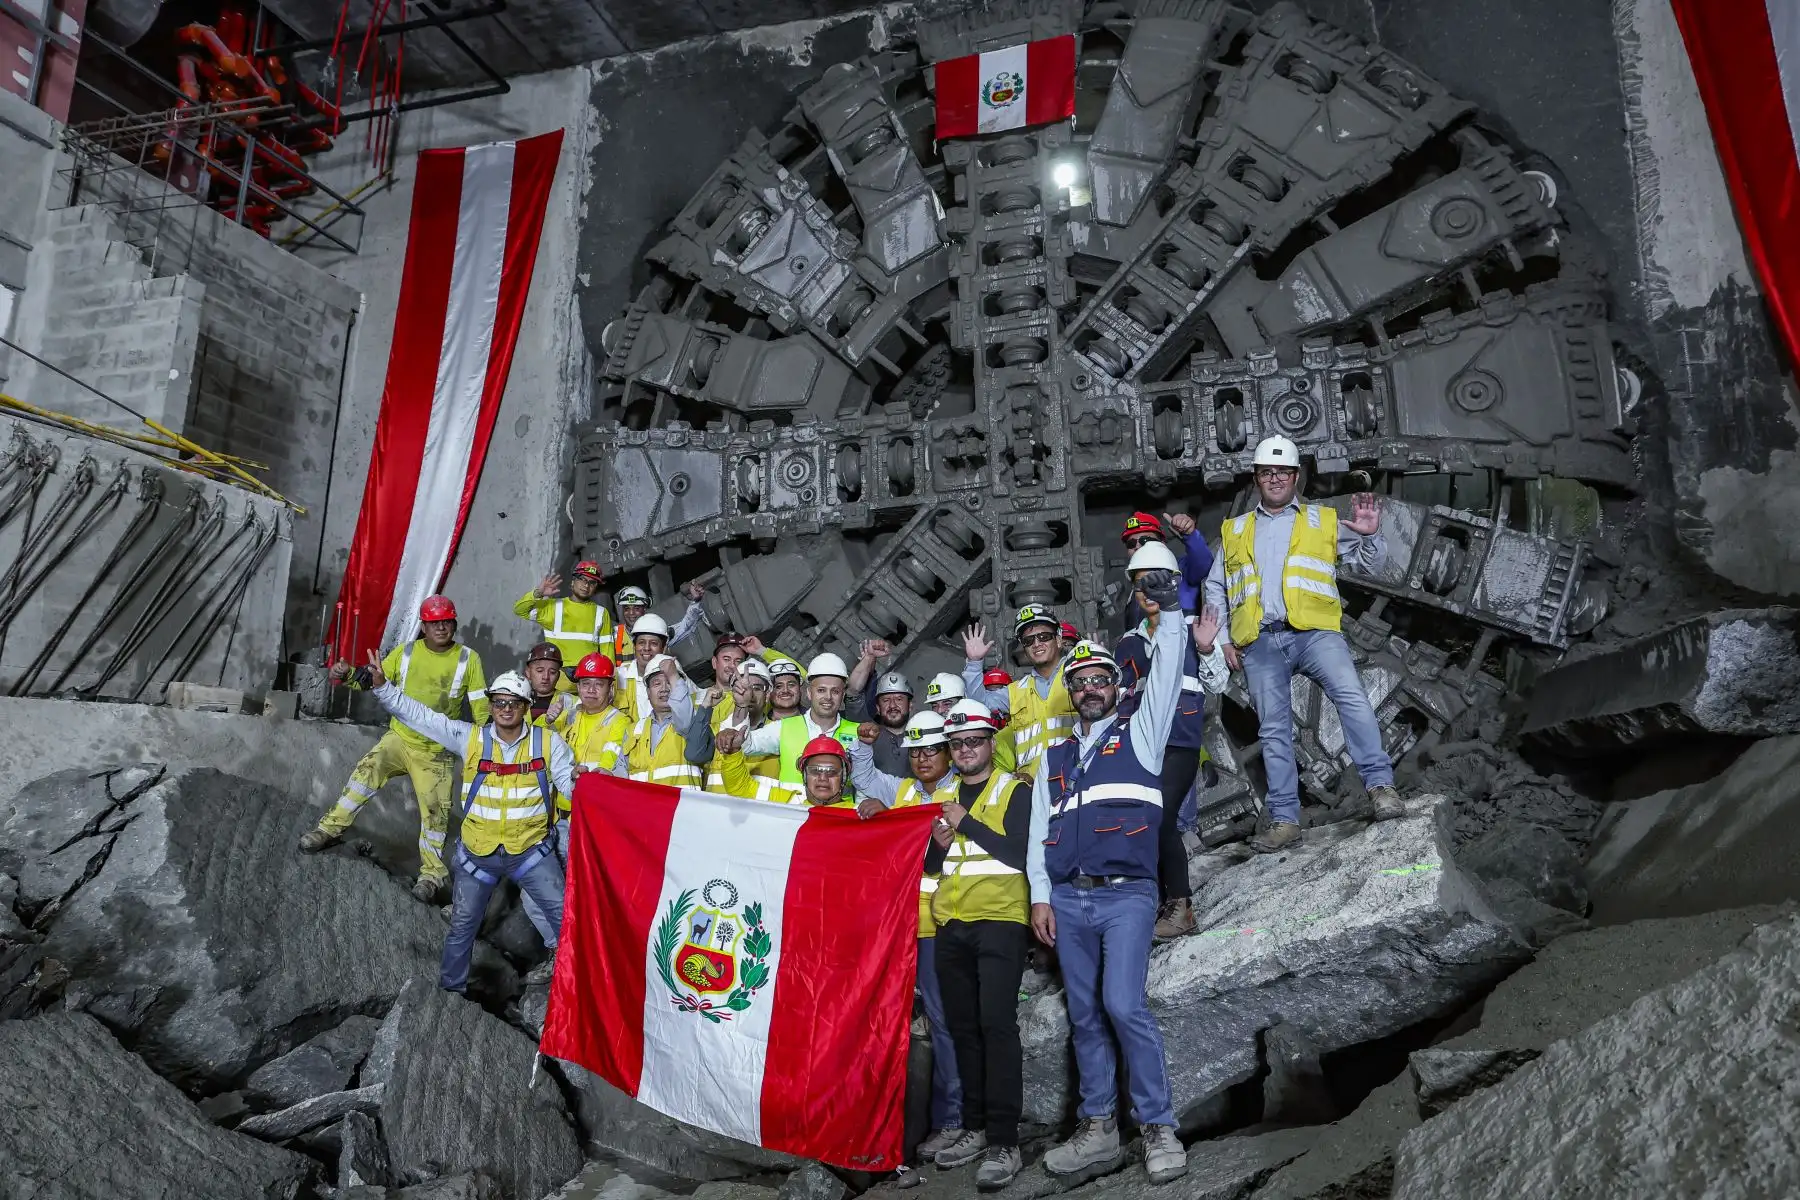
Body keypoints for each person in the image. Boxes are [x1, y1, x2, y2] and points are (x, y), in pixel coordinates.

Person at [1025, 564, 1206, 1187]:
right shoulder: (1056, 757)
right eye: (1082, 682)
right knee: (1084, 1014)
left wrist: (1171, 612)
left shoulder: (1144, 733)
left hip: (1128, 896)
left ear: (1115, 686)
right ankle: (1098, 1128)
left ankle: (1159, 1128)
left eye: (1102, 679)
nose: (1092, 688)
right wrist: (1041, 897)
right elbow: (1037, 834)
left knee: (1122, 1004)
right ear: (1072, 692)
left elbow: (1166, 673)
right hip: (1069, 903)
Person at [1202, 435, 1403, 852]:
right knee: (1273, 729)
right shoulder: (1235, 530)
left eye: (1282, 472)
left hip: (1315, 634)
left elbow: (1372, 565)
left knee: (1351, 697)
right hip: (1260, 642)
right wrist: (1222, 640)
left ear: (1296, 476)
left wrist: (1369, 536)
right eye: (1266, 472)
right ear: (1257, 478)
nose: (1274, 478)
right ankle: (1284, 819)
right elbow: (1216, 588)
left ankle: (1381, 786)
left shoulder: (1321, 520)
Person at [362, 661, 570, 992]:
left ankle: (575, 994)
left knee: (566, 922)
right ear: (490, 705)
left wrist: (587, 780)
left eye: (513, 703)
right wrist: (383, 687)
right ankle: (450, 993)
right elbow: (424, 717)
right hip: (479, 853)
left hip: (530, 851)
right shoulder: (470, 737)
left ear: (526, 707)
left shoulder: (549, 744)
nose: (505, 709)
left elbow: (571, 787)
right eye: (499, 702)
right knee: (462, 926)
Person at [300, 594, 486, 904]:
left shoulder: (469, 659)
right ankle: (329, 830)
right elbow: (374, 680)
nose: (441, 627)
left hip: (437, 751)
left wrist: (486, 749)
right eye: (434, 622)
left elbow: (481, 711)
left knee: (435, 814)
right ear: (423, 627)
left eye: (446, 621)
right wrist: (346, 674)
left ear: (454, 623)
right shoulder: (406, 653)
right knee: (365, 774)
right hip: (399, 739)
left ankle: (431, 876)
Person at [848, 712, 964, 1163]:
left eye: (930, 750)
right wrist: (880, 814)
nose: (922, 759)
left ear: (947, 751)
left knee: (944, 1022)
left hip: (945, 924)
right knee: (900, 1026)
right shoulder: (903, 792)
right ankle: (903, 1124)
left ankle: (953, 1120)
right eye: (915, 752)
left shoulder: (962, 792)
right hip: (901, 925)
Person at [924, 699, 1030, 1190]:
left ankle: (1005, 1141)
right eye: (958, 743)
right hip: (952, 925)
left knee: (996, 1026)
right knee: (964, 1030)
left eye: (974, 741)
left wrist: (965, 823)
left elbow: (1019, 852)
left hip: (1001, 921)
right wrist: (938, 846)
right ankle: (974, 1127)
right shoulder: (942, 795)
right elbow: (929, 867)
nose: (966, 750)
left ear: (991, 744)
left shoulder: (1014, 790)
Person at [1114, 541, 1230, 939]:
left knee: (1161, 818)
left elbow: (1219, 682)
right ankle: (1161, 902)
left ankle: (1181, 906)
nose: (1148, 592)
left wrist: (1207, 648)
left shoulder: (1192, 628)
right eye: (1141, 584)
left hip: (1180, 742)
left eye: (1156, 582)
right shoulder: (1127, 642)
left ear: (1174, 583)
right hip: (1141, 745)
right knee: (1143, 822)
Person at [519, 651, 631, 945]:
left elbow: (606, 768)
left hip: (590, 827)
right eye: (584, 684)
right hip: (555, 822)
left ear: (611, 689)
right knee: (533, 894)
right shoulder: (570, 716)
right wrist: (547, 722)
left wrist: (587, 772)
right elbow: (536, 748)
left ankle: (576, 957)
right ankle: (560, 952)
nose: (590, 690)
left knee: (576, 898)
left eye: (598, 684)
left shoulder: (619, 722)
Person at [962, 606, 1075, 777]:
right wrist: (974, 663)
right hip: (1031, 787)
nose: (1036, 644)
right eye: (1028, 641)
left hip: (1075, 779)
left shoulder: (1078, 676)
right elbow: (977, 706)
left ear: (1058, 640)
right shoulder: (1016, 691)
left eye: (1044, 637)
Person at [741, 653, 861, 794]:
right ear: (809, 693)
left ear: (843, 695)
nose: (828, 697)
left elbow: (865, 785)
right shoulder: (783, 728)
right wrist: (740, 705)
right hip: (794, 813)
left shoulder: (859, 733)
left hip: (838, 814)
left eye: (835, 691)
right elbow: (745, 745)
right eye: (821, 690)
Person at [515, 562, 612, 683]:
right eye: (582, 579)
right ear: (573, 581)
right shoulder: (553, 607)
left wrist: (608, 684)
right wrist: (538, 593)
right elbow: (520, 610)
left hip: (587, 682)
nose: (586, 585)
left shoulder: (601, 613)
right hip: (556, 684)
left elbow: (607, 655)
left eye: (592, 582)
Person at [616, 654, 700, 787]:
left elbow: (684, 718)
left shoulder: (693, 720)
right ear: (648, 692)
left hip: (680, 806)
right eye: (657, 684)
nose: (664, 689)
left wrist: (674, 676)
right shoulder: (634, 730)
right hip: (644, 806)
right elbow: (620, 775)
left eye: (669, 682)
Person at [1121, 511, 1213, 613]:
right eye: (1131, 543)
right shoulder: (1132, 588)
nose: (1137, 546)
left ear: (1162, 543)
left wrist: (1190, 535)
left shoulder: (1179, 570)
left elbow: (1203, 564)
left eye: (1145, 540)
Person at [608, 581, 709, 661]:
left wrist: (696, 601)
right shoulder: (614, 635)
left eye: (636, 608)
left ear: (644, 609)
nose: (631, 613)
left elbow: (686, 626)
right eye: (627, 609)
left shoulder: (657, 632)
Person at [522, 642, 568, 723]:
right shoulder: (515, 700)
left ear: (558, 676)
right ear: (528, 672)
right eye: (540, 671)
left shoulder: (571, 703)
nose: (546, 677)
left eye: (552, 672)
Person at [767, 657, 806, 721]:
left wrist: (762, 651)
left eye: (791, 685)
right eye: (778, 686)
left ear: (800, 688)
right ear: (768, 692)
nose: (785, 690)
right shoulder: (758, 726)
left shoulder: (816, 721)